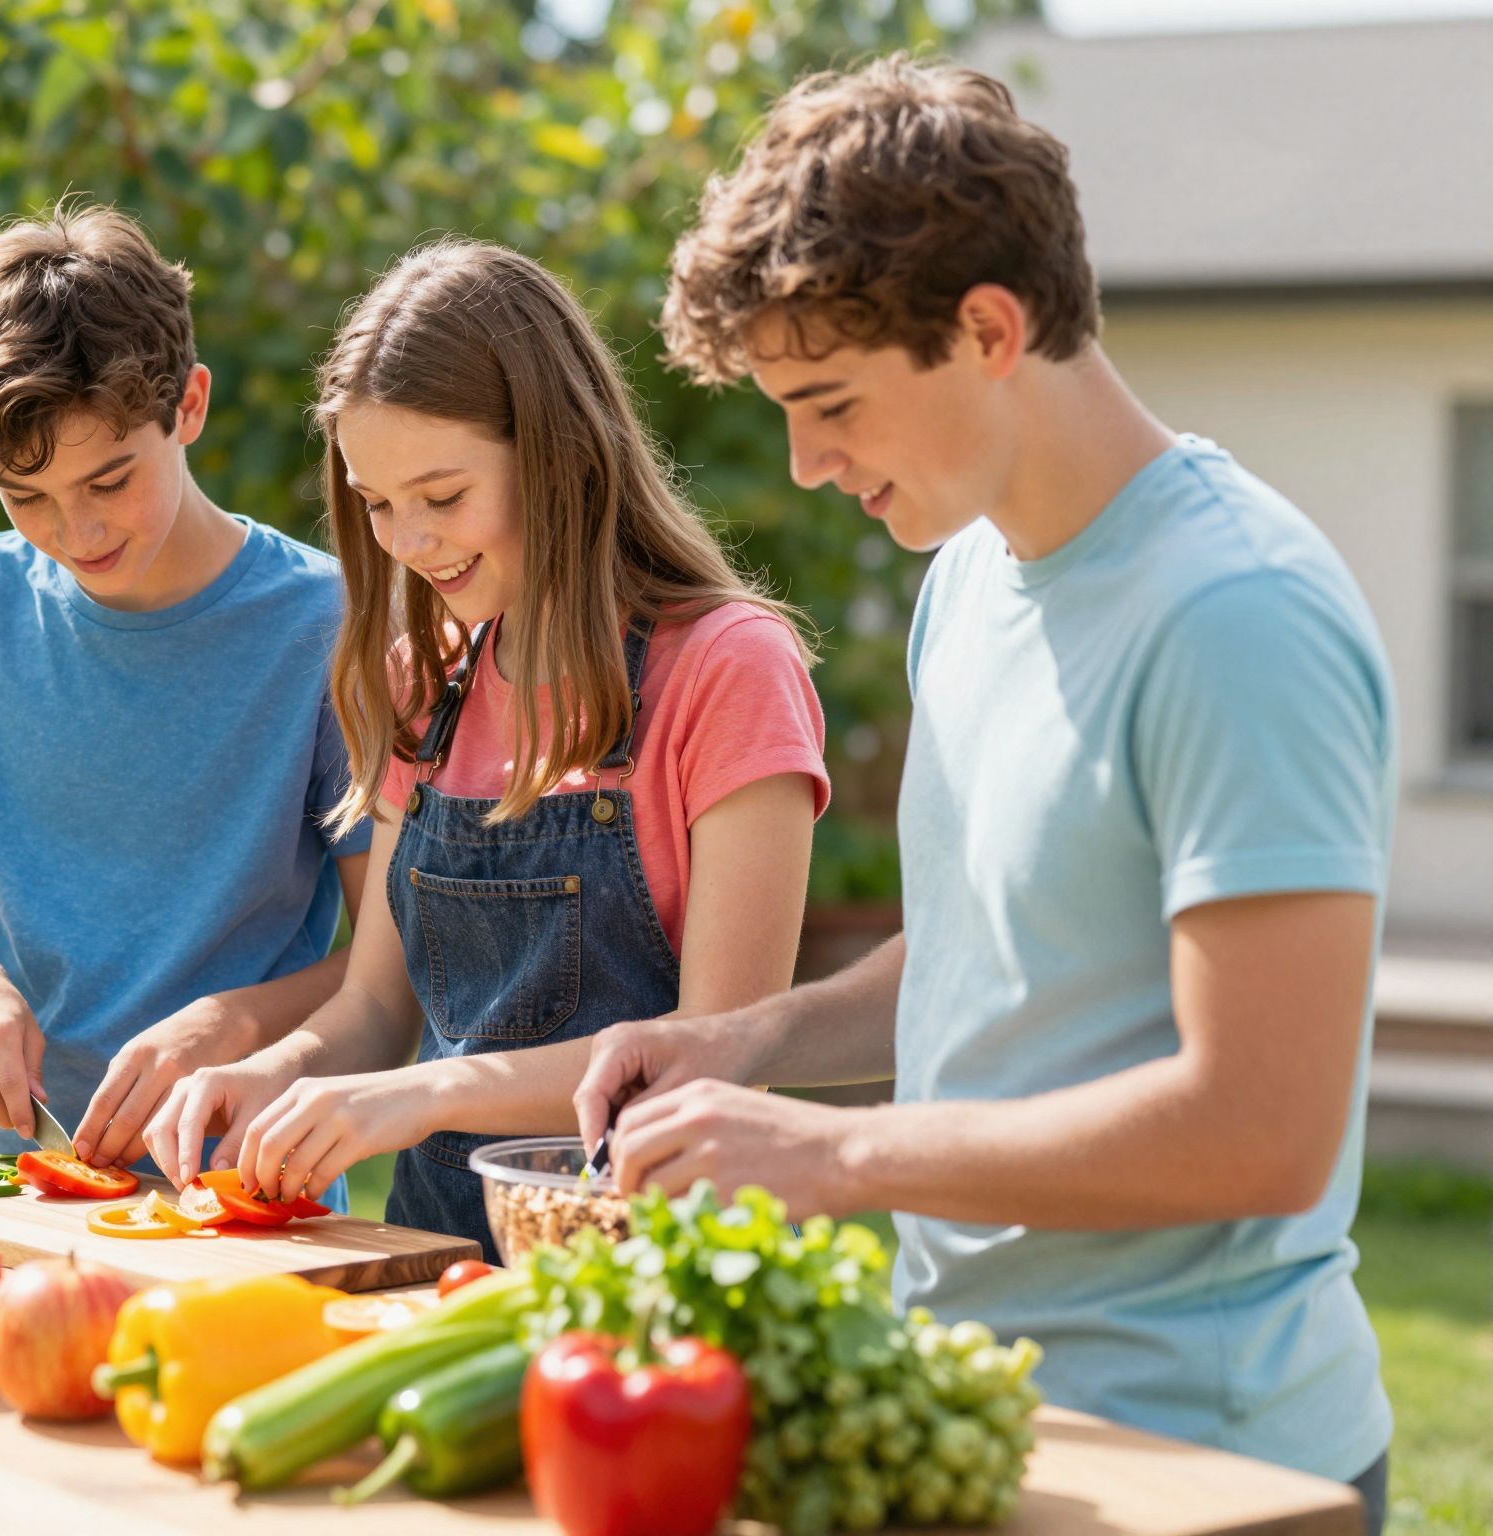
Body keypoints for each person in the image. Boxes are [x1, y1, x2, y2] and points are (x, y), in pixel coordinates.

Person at [573, 57, 1394, 1525]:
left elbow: (1263, 1127)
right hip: (977, 1413)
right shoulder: (968, 579)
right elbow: (993, 955)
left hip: (1211, 1468)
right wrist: (747, 1041)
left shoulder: (1236, 612)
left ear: (991, 328)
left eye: (828, 403)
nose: (806, 465)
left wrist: (835, 1154)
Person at [143, 240, 829, 1260]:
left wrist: (421, 1094)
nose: (409, 543)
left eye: (441, 496)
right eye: (376, 505)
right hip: (435, 1268)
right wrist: (277, 1070)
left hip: (643, 1284)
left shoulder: (727, 670)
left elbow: (715, 1059)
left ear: (555, 453)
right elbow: (376, 1004)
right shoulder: (423, 680)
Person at [0, 204, 371, 1199]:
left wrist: (238, 1022)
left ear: (191, 406)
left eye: (109, 479)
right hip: (3, 1177)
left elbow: (400, 957)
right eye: (24, 496)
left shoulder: (328, 628)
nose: (74, 531)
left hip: (245, 1190)